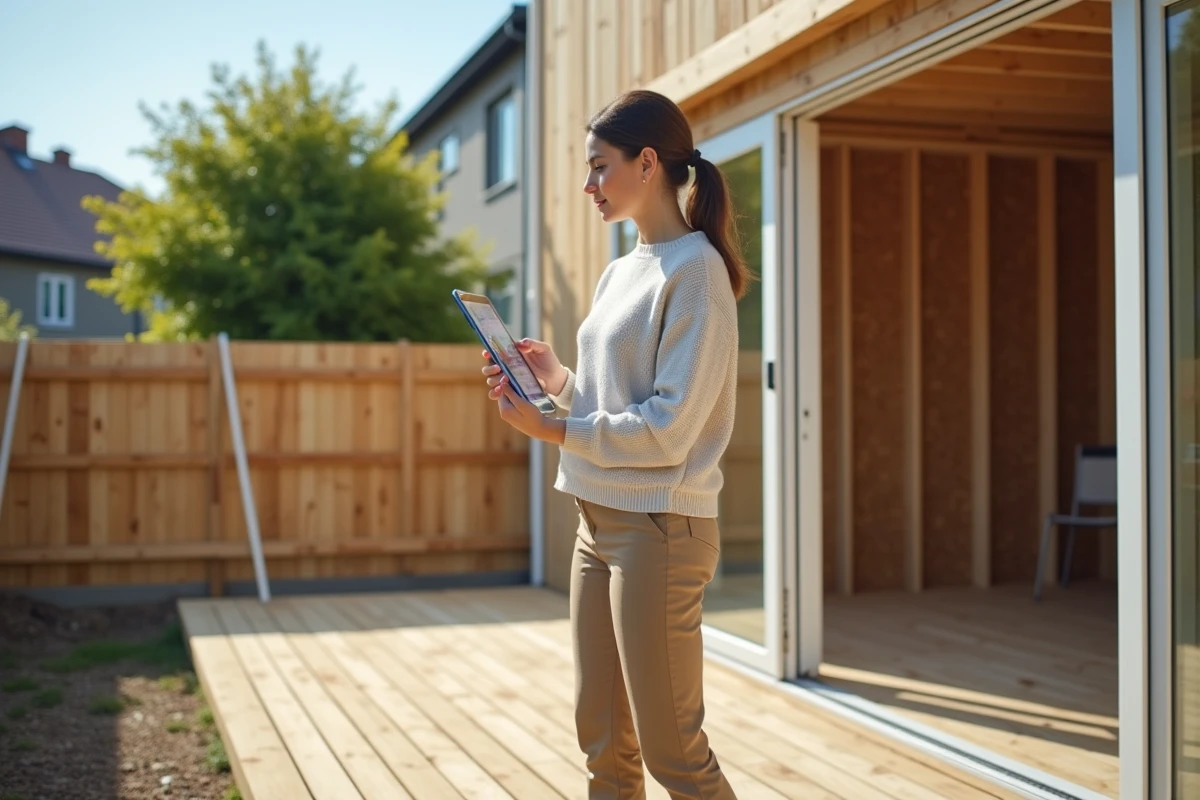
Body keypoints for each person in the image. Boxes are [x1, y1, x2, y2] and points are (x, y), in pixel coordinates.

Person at [481, 89, 750, 800]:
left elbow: (667, 430)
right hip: (595, 523)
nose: (588, 185)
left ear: (649, 162)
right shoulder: (618, 269)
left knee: (675, 754)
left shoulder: (697, 271)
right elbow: (617, 404)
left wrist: (555, 429)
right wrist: (558, 382)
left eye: (601, 167)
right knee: (602, 739)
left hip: (660, 530)